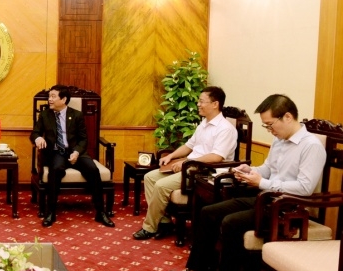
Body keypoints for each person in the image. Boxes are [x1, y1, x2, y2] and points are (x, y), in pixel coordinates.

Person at [168, 94, 326, 271]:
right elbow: (268, 169)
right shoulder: (280, 140)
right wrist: (250, 170)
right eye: (266, 126)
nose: (269, 130)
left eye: (270, 125)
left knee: (232, 222)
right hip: (265, 197)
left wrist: (262, 182)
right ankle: (198, 270)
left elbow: (305, 188)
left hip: (287, 207)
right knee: (209, 212)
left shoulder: (311, 146)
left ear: (287, 117)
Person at [133, 86, 238, 241]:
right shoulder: (204, 123)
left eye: (201, 101)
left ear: (215, 104)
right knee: (149, 177)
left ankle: (149, 227)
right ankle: (165, 222)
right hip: (190, 165)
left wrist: (187, 162)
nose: (198, 104)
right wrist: (171, 156)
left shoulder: (226, 129)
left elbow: (216, 157)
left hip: (205, 171)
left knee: (161, 186)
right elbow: (189, 145)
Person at [30, 84, 114, 228]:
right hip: (57, 152)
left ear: (63, 99)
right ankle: (51, 212)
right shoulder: (45, 115)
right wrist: (38, 138)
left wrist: (76, 152)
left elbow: (83, 139)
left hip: (76, 152)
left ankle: (101, 212)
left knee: (93, 170)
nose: (49, 99)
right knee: (56, 170)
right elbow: (35, 133)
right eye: (49, 96)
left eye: (53, 96)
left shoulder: (76, 115)